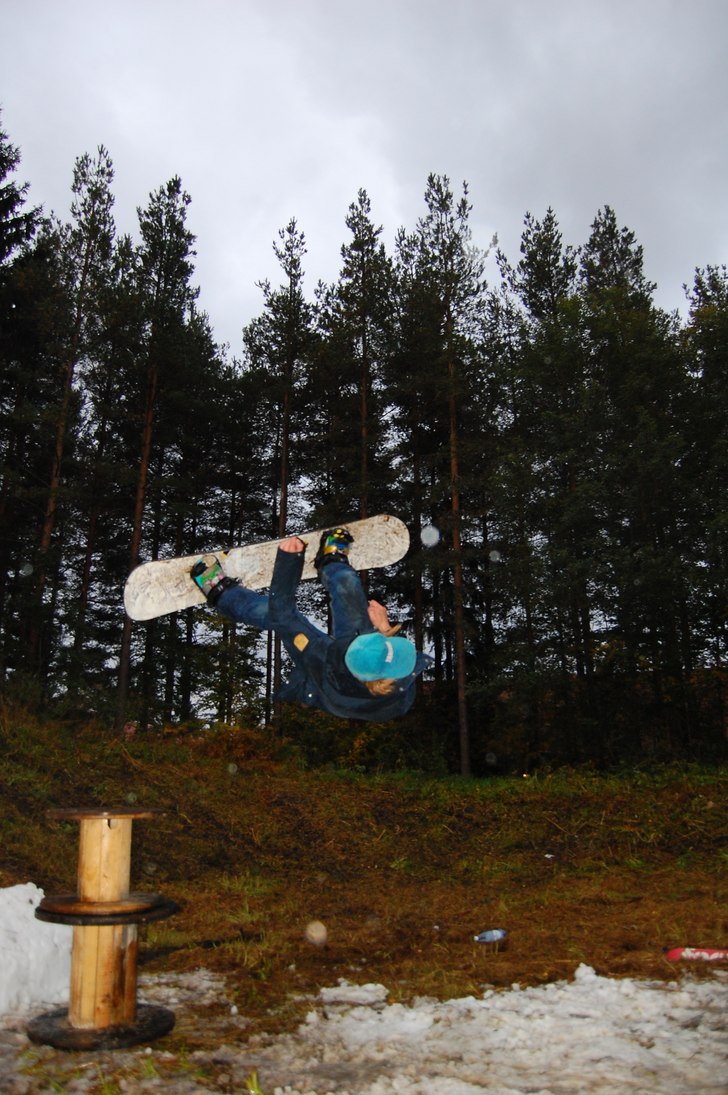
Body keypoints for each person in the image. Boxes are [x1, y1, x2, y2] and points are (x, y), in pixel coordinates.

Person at [191, 527, 431, 721]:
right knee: (348, 587)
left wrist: (289, 562)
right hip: (362, 663)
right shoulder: (402, 689)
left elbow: (282, 611)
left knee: (279, 618)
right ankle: (331, 561)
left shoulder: (319, 660)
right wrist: (383, 627)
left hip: (326, 672)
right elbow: (383, 658)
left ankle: (221, 593)